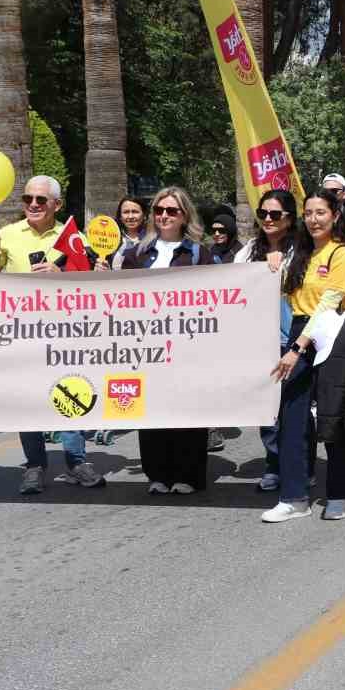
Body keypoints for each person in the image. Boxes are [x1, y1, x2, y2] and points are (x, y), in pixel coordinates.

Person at [0, 175, 104, 493]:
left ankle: (76, 462)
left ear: (57, 204)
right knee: (27, 401)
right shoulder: (7, 234)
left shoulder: (73, 237)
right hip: (21, 335)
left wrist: (61, 273)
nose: (33, 204)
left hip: (63, 335)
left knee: (70, 395)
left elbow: (89, 287)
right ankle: (35, 465)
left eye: (41, 200)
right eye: (28, 199)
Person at [263, 191, 345, 523]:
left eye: (321, 212)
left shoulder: (342, 253)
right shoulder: (301, 253)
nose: (314, 219)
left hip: (332, 333)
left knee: (333, 418)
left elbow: (329, 303)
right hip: (300, 330)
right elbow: (284, 295)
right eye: (308, 213)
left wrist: (297, 348)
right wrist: (273, 266)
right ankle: (294, 497)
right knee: (292, 417)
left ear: (335, 215)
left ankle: (338, 494)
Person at [116, 186, 214, 494]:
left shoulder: (199, 254)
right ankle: (157, 474)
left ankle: (188, 475)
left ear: (185, 215)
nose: (164, 216)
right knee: (152, 411)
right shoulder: (136, 255)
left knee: (188, 410)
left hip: (188, 346)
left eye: (172, 210)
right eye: (159, 210)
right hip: (147, 348)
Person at [239, 189, 299, 491]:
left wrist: (279, 268)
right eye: (263, 213)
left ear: (289, 218)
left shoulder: (301, 250)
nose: (268, 219)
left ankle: (300, 466)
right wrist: (261, 266)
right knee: (268, 409)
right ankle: (274, 464)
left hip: (293, 340)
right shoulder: (249, 250)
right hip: (259, 340)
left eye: (275, 214)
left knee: (295, 408)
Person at [108, 196, 148, 269]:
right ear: (120, 216)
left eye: (135, 212)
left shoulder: (152, 240)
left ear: (144, 215)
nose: (130, 216)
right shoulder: (111, 238)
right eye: (126, 212)